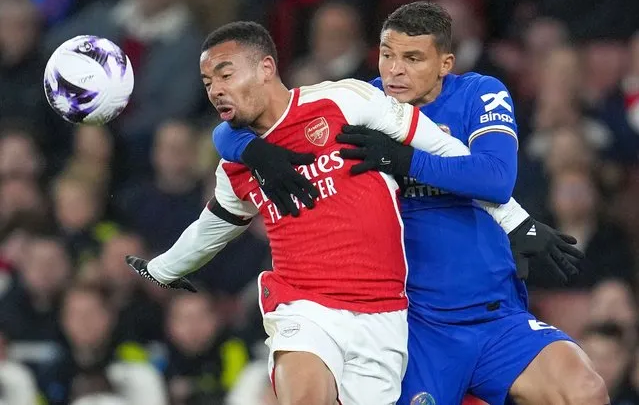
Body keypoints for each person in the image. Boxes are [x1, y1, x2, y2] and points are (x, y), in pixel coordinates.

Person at [212, 3, 607, 404]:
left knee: (584, 390)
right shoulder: (357, 104)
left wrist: (404, 161)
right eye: (387, 55)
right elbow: (252, 120)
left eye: (412, 58)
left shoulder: (478, 93)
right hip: (413, 329)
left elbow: (495, 178)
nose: (394, 70)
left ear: (444, 63)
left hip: (494, 318)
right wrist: (247, 148)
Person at [126, 21, 529, 405]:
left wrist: (517, 221)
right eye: (208, 82)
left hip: (382, 311)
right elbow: (209, 230)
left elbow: (448, 152)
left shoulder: (344, 101)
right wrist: (161, 270)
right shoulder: (234, 168)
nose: (215, 90)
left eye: (225, 75)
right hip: (304, 305)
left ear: (266, 67)